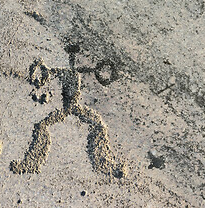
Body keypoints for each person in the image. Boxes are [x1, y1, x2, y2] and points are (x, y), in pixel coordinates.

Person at [10, 44, 126, 178]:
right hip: (68, 109)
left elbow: (53, 74)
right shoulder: (67, 72)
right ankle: (32, 162)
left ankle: (33, 162)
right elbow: (52, 73)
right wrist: (44, 71)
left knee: (45, 126)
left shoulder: (70, 72)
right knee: (95, 125)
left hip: (71, 108)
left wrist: (44, 72)